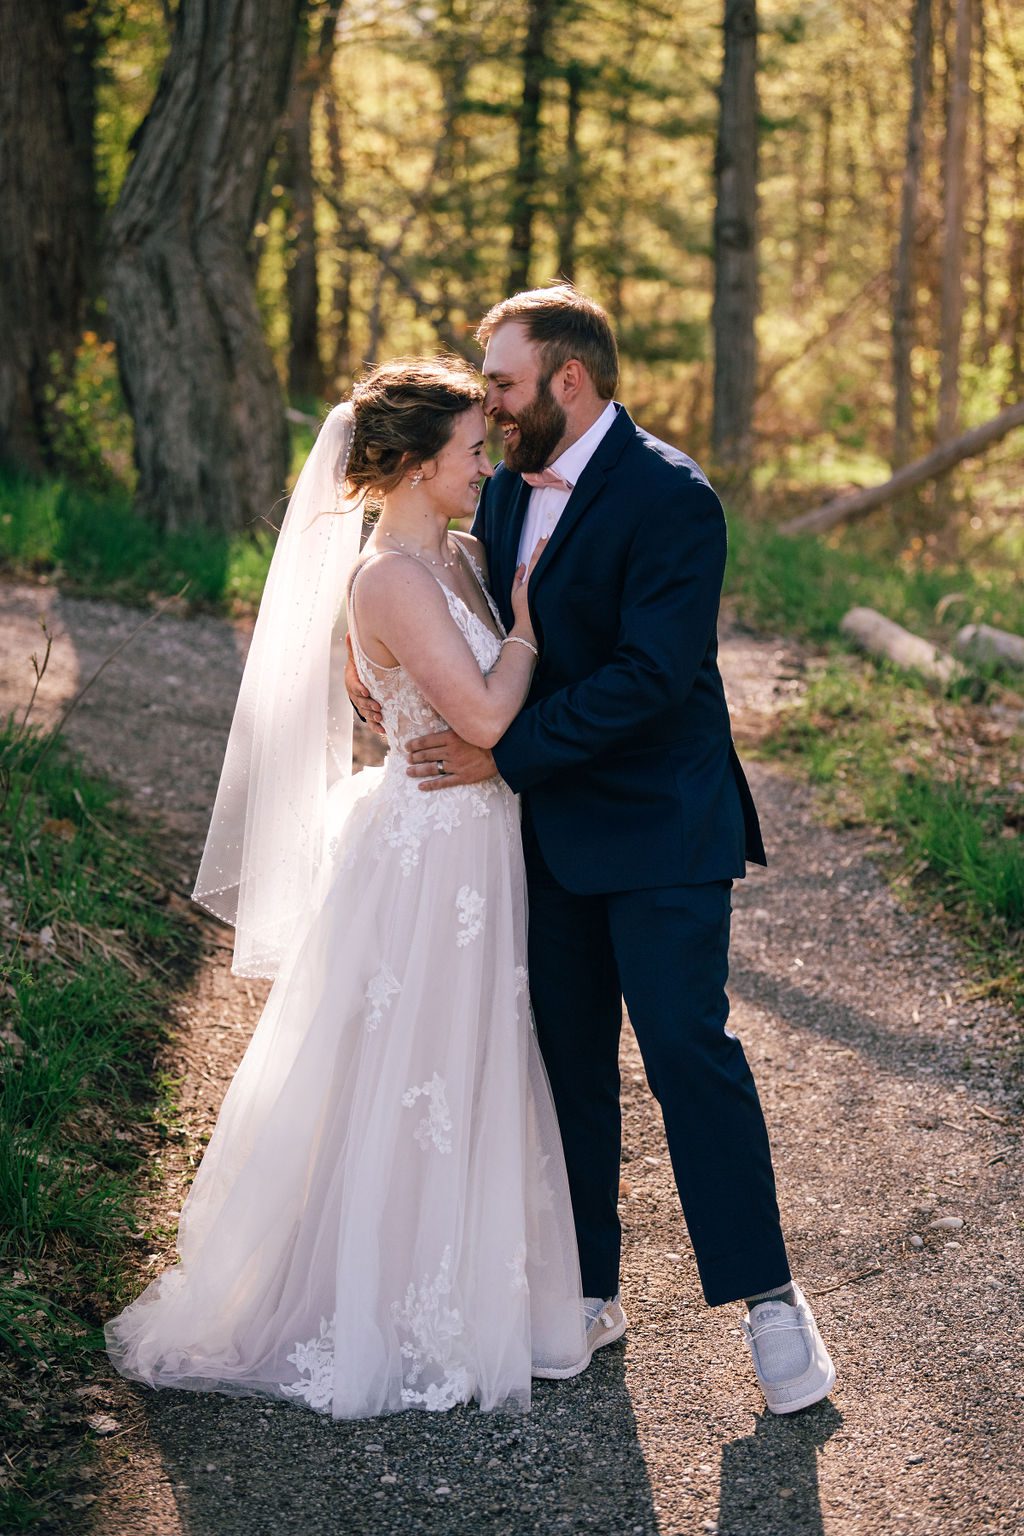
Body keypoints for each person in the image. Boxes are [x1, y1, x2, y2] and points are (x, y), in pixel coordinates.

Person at [349, 288, 836, 1416]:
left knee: (684, 1049)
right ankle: (586, 1288)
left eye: (506, 384)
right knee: (562, 1062)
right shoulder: (502, 489)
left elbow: (651, 674)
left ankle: (767, 1300)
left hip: (661, 822)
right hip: (542, 838)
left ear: (569, 379)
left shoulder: (673, 498)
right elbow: (424, 590)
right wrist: (371, 662)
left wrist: (504, 758)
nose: (493, 406)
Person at [105, 357, 590, 1420]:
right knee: (406, 1064)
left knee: (468, 1060)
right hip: (431, 849)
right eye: (470, 449)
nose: (486, 463)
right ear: (415, 466)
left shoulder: (459, 553)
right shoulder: (388, 579)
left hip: (477, 841)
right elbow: (488, 718)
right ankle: (377, 1299)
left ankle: (470, 1285)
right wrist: (526, 633)